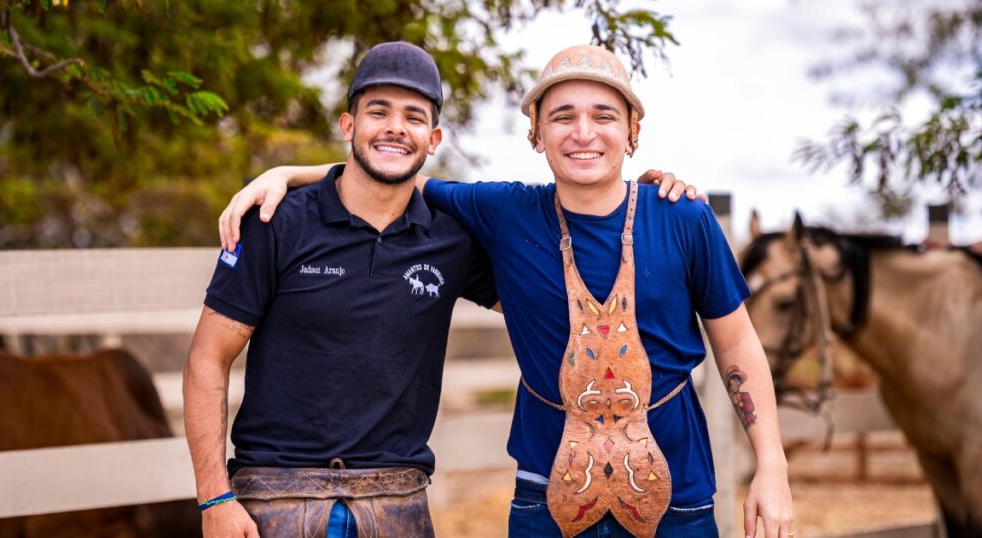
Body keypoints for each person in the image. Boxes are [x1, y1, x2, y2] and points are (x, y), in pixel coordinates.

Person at [224, 44, 795, 538]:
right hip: (546, 495)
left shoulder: (683, 218)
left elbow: (739, 346)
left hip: (679, 493)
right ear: (536, 134)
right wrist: (291, 173)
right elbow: (391, 167)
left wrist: (771, 465)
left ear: (633, 131)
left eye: (604, 115)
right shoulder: (505, 211)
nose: (584, 132)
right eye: (563, 116)